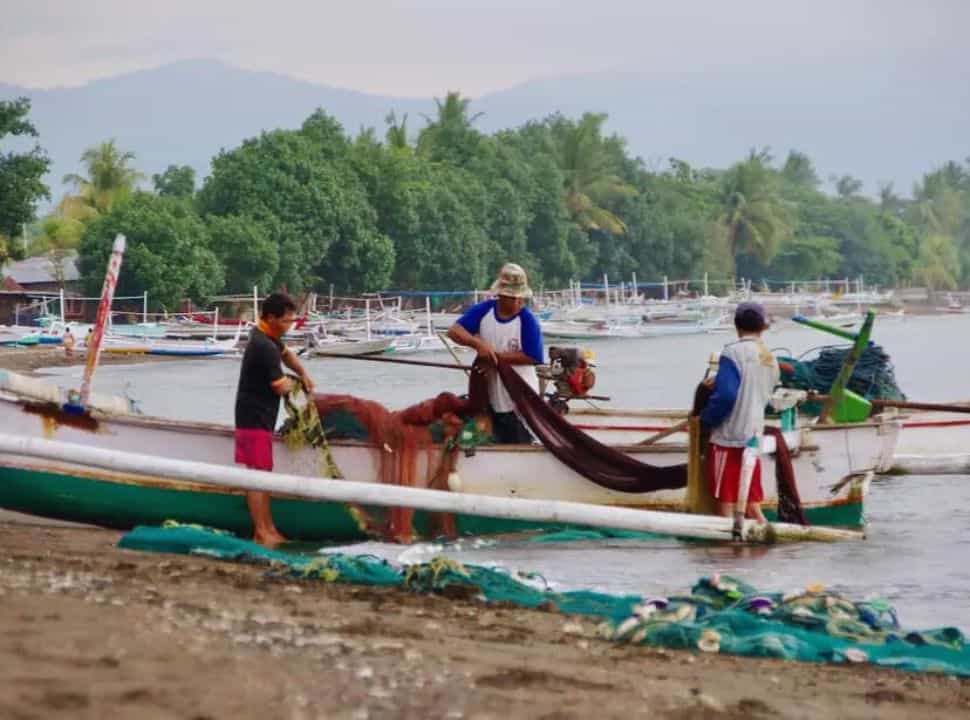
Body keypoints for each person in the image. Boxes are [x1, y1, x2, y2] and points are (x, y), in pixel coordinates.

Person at [234, 292, 315, 546]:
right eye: (286, 320)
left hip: (262, 417)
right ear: (270, 317)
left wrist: (303, 372)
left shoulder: (268, 337)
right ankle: (261, 531)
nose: (289, 326)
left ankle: (268, 527)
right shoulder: (263, 345)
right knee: (257, 476)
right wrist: (298, 383)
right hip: (253, 417)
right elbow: (280, 386)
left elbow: (287, 354)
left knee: (264, 473)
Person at [699, 302, 780, 523]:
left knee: (725, 500)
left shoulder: (732, 352)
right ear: (763, 327)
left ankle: (727, 547)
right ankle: (765, 535)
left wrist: (706, 418)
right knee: (751, 501)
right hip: (753, 436)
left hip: (728, 437)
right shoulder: (770, 358)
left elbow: (726, 396)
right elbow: (758, 390)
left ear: (736, 326)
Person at [447, 263, 543, 443]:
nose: (516, 302)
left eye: (519, 297)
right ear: (500, 295)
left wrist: (494, 357)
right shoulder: (484, 311)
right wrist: (476, 344)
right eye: (510, 297)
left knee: (520, 441)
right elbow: (454, 331)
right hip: (490, 396)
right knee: (483, 436)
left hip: (520, 400)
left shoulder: (528, 320)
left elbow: (533, 357)